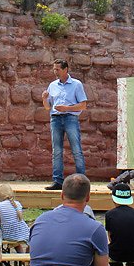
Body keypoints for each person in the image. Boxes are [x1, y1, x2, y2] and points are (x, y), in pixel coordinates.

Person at [41, 59, 87, 191]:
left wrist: (66, 108)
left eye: (57, 69)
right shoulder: (52, 85)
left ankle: (81, 180)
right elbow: (47, 107)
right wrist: (44, 99)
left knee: (76, 149)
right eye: (54, 69)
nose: (55, 72)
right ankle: (57, 181)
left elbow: (83, 105)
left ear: (65, 69)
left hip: (70, 118)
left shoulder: (76, 84)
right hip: (55, 119)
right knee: (57, 151)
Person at [104, 182, 134, 266]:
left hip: (116, 254)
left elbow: (110, 237)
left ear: (114, 199)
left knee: (111, 253)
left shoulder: (109, 214)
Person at [0, 184, 29, 252]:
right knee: (17, 241)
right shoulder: (17, 204)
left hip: (8, 234)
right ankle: (24, 255)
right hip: (22, 233)